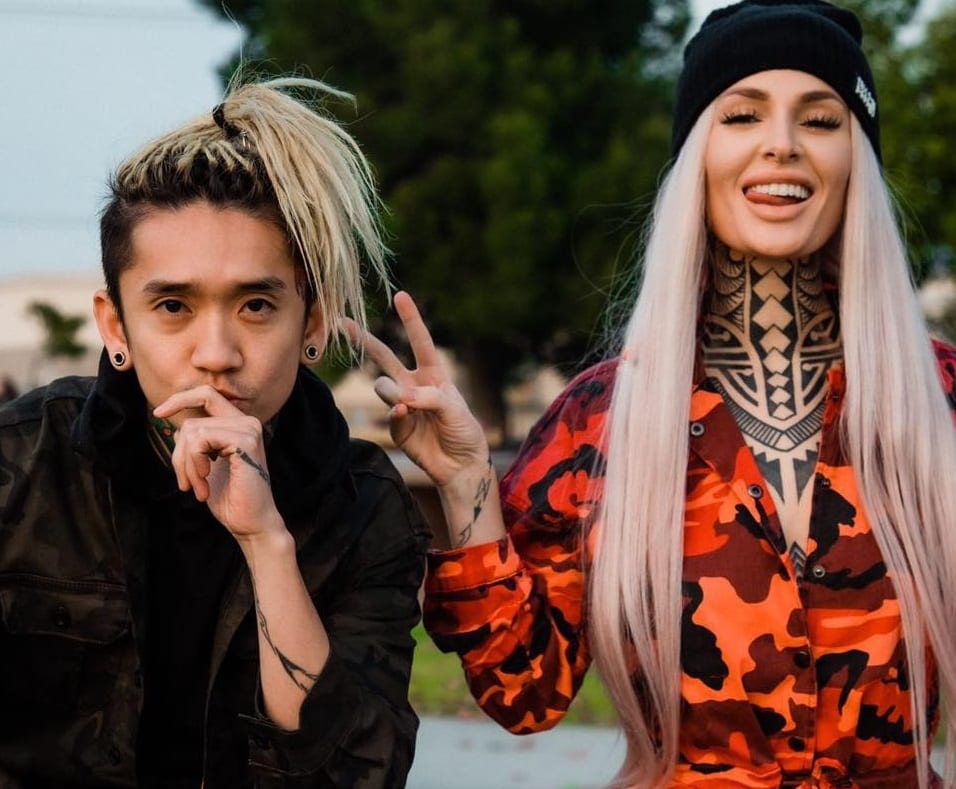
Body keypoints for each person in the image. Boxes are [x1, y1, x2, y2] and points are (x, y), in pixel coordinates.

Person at [355, 1, 956, 786]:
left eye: (820, 119)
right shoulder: (601, 421)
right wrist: (466, 480)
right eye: (742, 115)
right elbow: (523, 690)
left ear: (857, 160)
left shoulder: (939, 399)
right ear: (696, 157)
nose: (782, 143)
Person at [0, 76, 429, 788]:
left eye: (256, 305)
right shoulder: (21, 463)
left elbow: (357, 775)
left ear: (311, 323)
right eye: (173, 306)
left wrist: (267, 544)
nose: (217, 353)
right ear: (116, 326)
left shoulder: (363, 505)